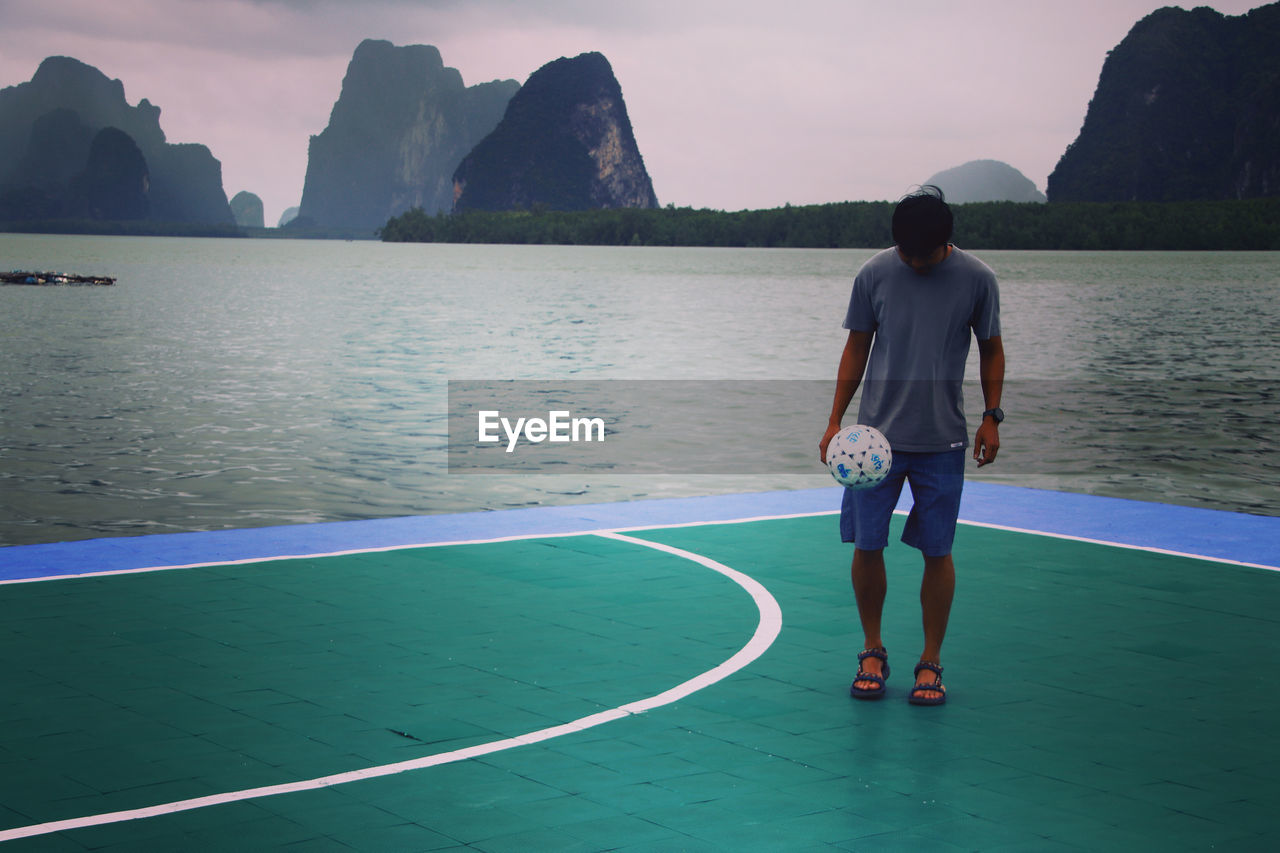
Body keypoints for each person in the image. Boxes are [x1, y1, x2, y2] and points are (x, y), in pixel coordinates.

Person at [818, 186, 1004, 706]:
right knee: (867, 544)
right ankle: (872, 650)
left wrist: (992, 417)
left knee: (938, 551)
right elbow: (856, 347)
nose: (913, 261)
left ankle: (931, 661)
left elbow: (991, 349)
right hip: (872, 444)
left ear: (945, 243)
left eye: (921, 253)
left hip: (943, 441)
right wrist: (834, 421)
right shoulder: (875, 273)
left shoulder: (977, 279)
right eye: (905, 251)